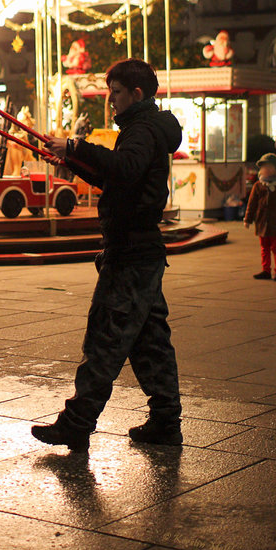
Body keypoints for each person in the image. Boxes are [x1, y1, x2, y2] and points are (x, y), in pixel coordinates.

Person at [31, 58, 183, 453]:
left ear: (136, 94)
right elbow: (116, 177)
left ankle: (77, 423)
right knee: (150, 343)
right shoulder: (144, 128)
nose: (110, 100)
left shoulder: (142, 130)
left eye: (115, 93)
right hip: (140, 251)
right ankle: (166, 422)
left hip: (131, 255)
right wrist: (71, 160)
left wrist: (76, 147)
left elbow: (124, 166)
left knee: (105, 338)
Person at [243, 153, 276, 282]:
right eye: (263, 167)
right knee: (264, 248)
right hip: (261, 221)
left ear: (274, 169)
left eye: (268, 167)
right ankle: (266, 270)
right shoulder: (258, 185)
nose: (265, 170)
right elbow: (252, 204)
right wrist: (248, 219)